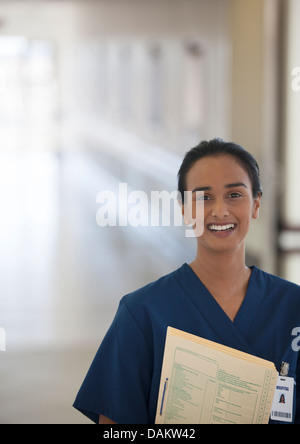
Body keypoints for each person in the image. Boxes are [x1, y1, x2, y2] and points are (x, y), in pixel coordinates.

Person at [73, 138, 300, 424]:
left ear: (256, 204)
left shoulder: (293, 307)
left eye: (234, 195)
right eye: (203, 197)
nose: (220, 211)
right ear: (183, 209)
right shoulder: (142, 313)